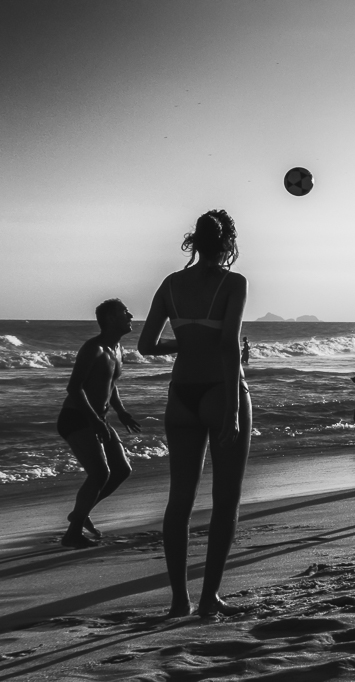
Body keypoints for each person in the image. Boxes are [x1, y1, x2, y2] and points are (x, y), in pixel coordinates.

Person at [137, 209, 250, 617]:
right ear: (228, 244)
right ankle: (208, 598)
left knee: (179, 501)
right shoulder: (233, 282)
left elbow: (146, 346)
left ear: (193, 241)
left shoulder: (170, 284)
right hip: (221, 392)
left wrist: (184, 344)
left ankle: (178, 601)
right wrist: (234, 411)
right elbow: (228, 345)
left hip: (181, 395)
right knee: (225, 500)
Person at [57, 299, 141, 549]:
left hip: (98, 418)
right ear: (110, 319)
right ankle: (72, 533)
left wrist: (122, 412)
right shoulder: (92, 348)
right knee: (100, 473)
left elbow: (109, 385)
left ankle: (80, 514)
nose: (131, 315)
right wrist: (95, 421)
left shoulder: (117, 350)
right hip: (77, 418)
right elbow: (74, 388)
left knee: (122, 470)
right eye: (124, 312)